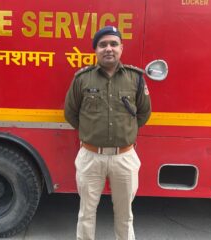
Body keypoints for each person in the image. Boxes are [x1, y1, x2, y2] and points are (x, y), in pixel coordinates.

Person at [64, 26, 151, 240]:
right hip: (91, 157)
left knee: (125, 215)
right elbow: (71, 113)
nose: (108, 48)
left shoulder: (135, 78)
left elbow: (143, 113)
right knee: (86, 213)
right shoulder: (82, 79)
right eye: (103, 45)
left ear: (121, 47)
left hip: (124, 157)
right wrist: (91, 133)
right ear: (95, 50)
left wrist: (125, 134)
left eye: (113, 44)